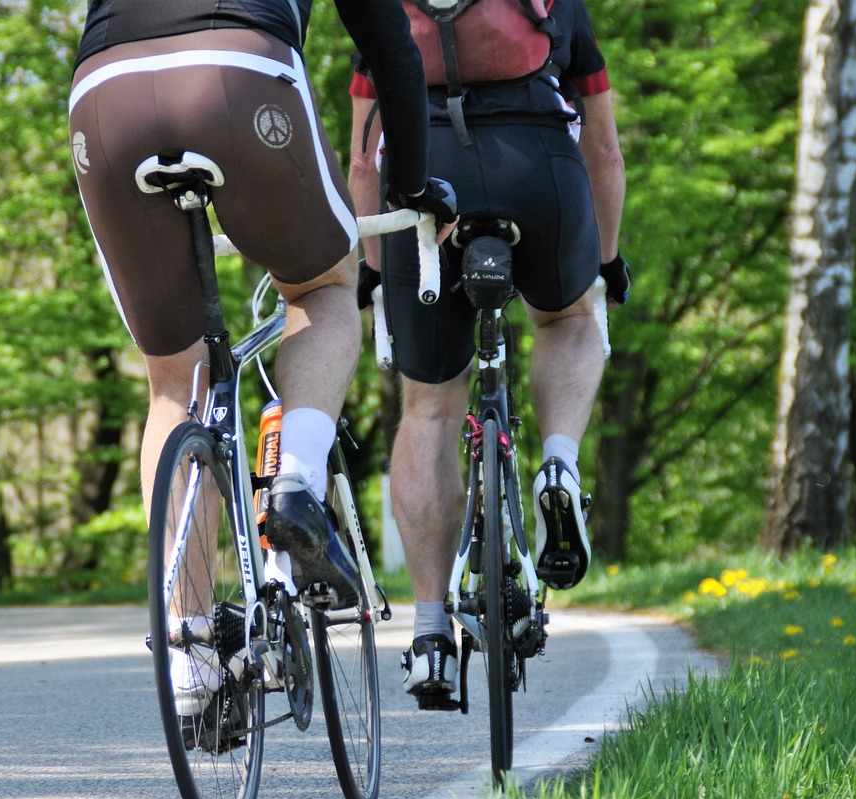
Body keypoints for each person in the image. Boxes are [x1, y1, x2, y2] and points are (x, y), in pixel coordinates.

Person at [70, 0, 455, 714]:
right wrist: (413, 183)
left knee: (172, 383)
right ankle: (296, 483)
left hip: (105, 93)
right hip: (238, 71)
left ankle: (188, 660)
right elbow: (390, 42)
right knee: (325, 286)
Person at [346, 0, 629, 707]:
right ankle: (558, 464)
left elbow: (359, 160)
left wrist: (376, 270)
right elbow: (604, 149)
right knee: (569, 318)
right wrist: (609, 260)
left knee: (430, 406)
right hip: (538, 169)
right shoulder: (559, 6)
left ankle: (430, 631)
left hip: (422, 180)